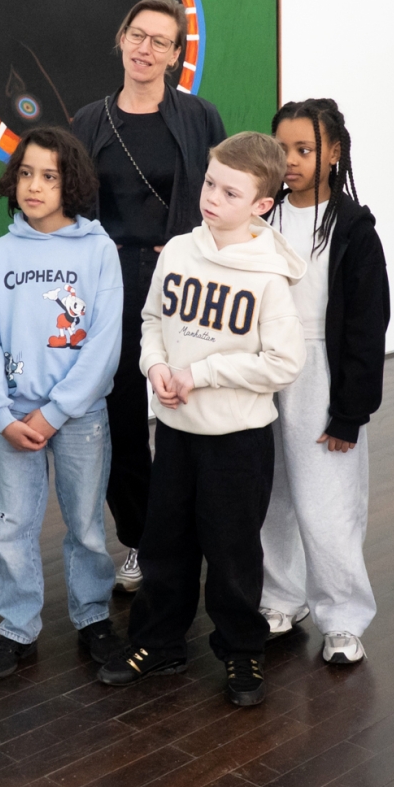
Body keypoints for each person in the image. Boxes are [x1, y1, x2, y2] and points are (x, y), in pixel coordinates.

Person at [96, 133, 304, 708]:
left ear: (262, 204)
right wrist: (156, 365)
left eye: (230, 191)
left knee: (234, 551)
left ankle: (242, 651)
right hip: (177, 434)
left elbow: (284, 362)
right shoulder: (181, 251)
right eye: (211, 183)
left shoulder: (268, 273)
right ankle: (158, 642)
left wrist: (203, 373)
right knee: (166, 545)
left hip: (237, 438)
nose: (212, 197)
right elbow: (152, 320)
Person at [72, 0, 225, 592]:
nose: (147, 49)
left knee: (186, 409)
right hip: (111, 284)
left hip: (182, 281)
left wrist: (187, 246)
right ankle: (139, 540)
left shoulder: (199, 117)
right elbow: (77, 204)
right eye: (138, 35)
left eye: (161, 41)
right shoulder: (90, 121)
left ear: (176, 54)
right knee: (123, 417)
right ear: (121, 38)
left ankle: (197, 535)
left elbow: (221, 193)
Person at [0, 128, 126, 677]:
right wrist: (0, 414)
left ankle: (92, 617)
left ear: (71, 183)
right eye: (28, 173)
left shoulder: (98, 250)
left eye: (50, 176)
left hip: (79, 416)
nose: (34, 186)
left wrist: (56, 411)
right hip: (13, 418)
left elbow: (104, 344)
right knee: (12, 526)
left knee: (85, 524)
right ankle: (17, 628)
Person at [258, 99, 388, 666]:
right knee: (272, 495)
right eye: (281, 148)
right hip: (265, 370)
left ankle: (342, 615)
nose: (290, 160)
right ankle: (279, 597)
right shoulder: (260, 220)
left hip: (323, 374)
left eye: (305, 149)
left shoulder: (354, 229)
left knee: (327, 501)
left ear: (333, 153)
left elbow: (367, 326)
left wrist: (349, 413)